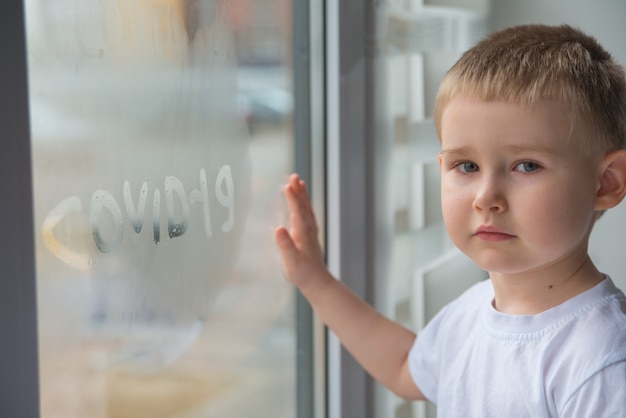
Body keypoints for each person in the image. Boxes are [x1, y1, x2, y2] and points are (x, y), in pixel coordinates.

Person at [274, 23, 626, 417]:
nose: (485, 198)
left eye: (527, 165)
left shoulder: (602, 360)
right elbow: (405, 366)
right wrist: (314, 279)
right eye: (467, 165)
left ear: (605, 183)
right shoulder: (470, 313)